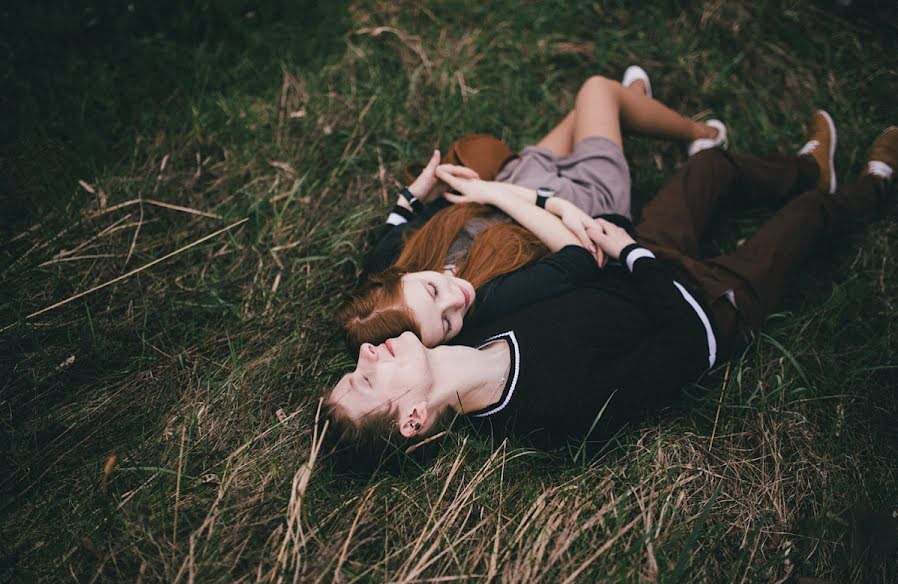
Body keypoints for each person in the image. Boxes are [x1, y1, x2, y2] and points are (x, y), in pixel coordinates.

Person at [325, 115, 898, 453]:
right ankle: (873, 187)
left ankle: (806, 169)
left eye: (357, 363)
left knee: (709, 169)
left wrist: (616, 242)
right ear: (414, 420)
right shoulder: (549, 409)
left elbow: (380, 289)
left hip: (632, 249)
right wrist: (635, 256)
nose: (368, 355)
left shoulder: (466, 324)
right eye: (366, 380)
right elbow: (693, 348)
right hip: (707, 300)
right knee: (805, 220)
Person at [343, 67, 727, 349]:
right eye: (446, 324)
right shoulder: (486, 302)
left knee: (588, 111)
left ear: (396, 277)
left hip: (518, 178)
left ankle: (634, 99)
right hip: (580, 200)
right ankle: (705, 136)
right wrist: (502, 195)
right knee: (596, 90)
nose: (454, 299)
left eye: (432, 290)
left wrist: (414, 194)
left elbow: (396, 225)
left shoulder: (385, 264)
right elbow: (576, 258)